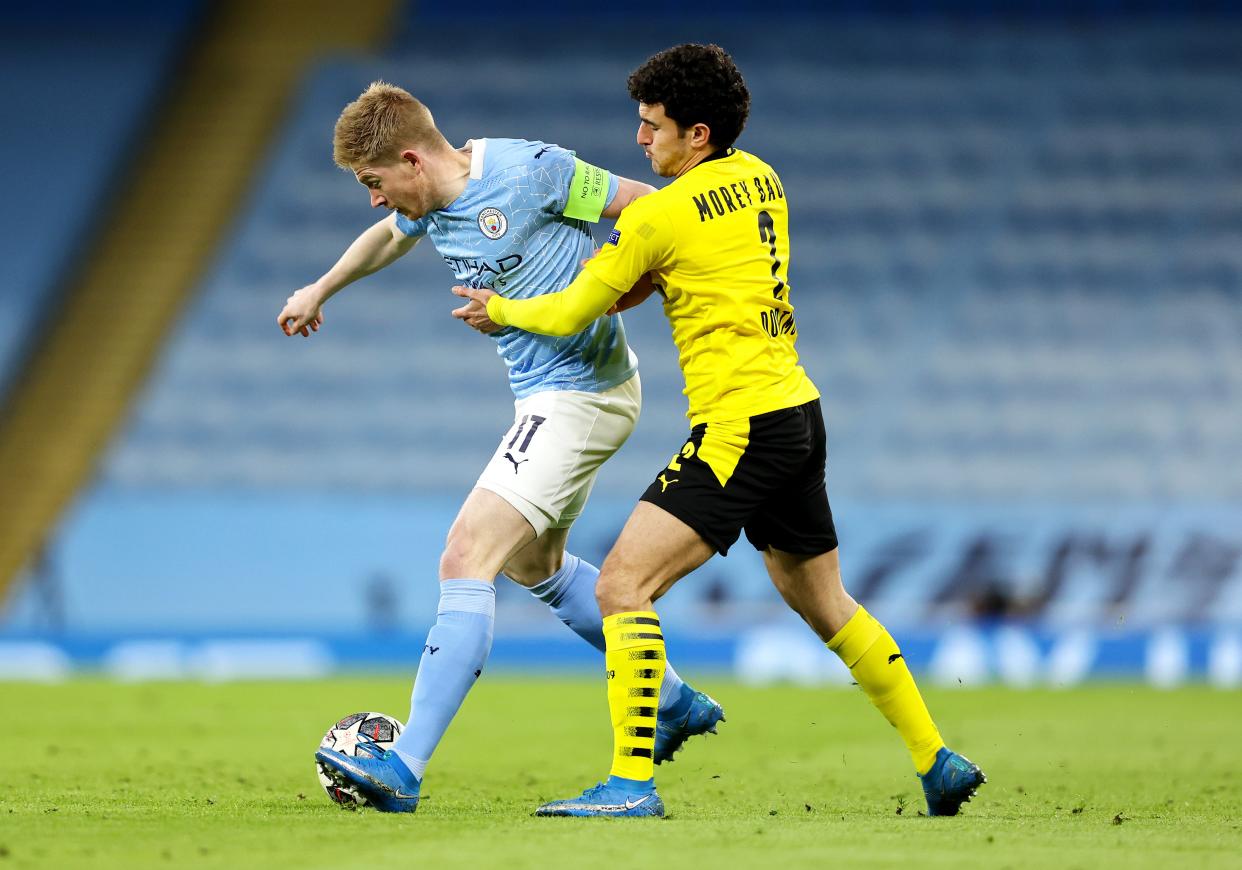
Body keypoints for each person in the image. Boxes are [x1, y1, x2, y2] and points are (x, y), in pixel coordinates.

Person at [452, 44, 985, 819]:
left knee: (620, 586)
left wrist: (497, 309)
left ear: (696, 134)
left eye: (652, 126)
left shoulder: (660, 216)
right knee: (824, 601)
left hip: (737, 427)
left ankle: (631, 784)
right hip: (799, 414)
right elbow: (680, 271)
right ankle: (937, 759)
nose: (641, 141)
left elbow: (573, 310)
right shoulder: (763, 178)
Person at [292, 82, 724, 814]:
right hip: (553, 398)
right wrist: (323, 286)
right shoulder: (427, 206)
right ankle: (675, 701)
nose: (374, 201)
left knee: (466, 555)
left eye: (374, 184)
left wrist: (619, 282)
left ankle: (405, 763)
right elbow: (386, 239)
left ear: (410, 161)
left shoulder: (530, 172)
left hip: (581, 392)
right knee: (534, 562)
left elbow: (648, 208)